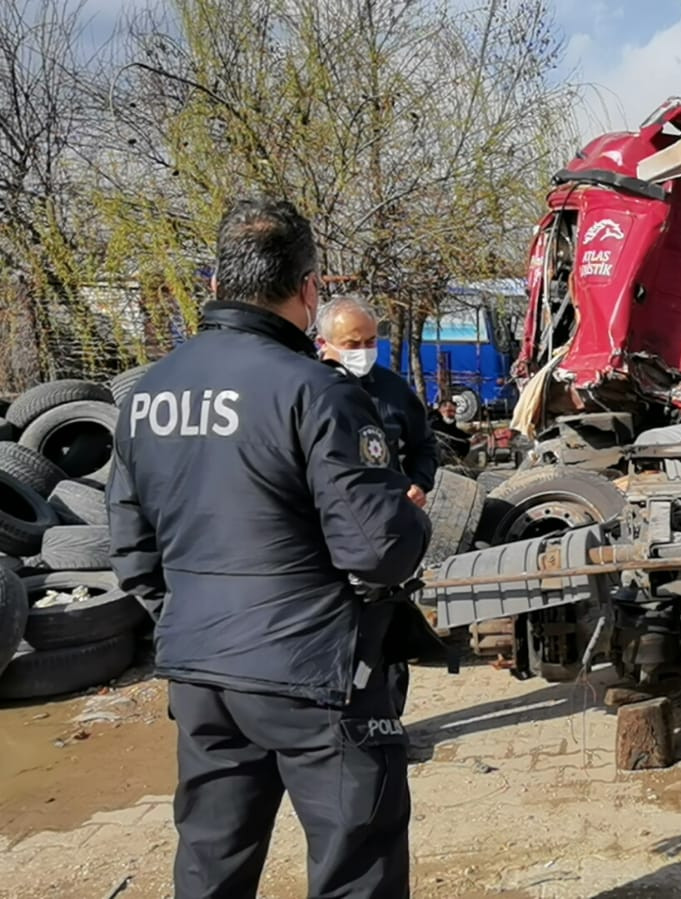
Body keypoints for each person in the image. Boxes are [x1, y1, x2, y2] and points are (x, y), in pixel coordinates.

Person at [105, 198, 433, 898]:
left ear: (219, 281)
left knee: (211, 860)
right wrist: (412, 522)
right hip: (314, 671)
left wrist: (194, 616)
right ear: (309, 289)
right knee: (356, 863)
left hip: (201, 670)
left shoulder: (147, 393)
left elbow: (131, 550)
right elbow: (378, 551)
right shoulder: (318, 391)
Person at [315, 296, 439, 509]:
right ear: (323, 343)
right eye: (352, 344)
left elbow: (424, 445)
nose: (363, 351)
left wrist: (419, 483)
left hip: (383, 517)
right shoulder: (305, 388)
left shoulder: (393, 389)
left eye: (370, 341)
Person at [429, 395, 472, 461]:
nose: (452, 414)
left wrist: (469, 436)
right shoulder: (434, 421)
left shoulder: (446, 420)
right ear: (441, 409)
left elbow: (453, 430)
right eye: (449, 411)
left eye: (454, 412)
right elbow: (447, 434)